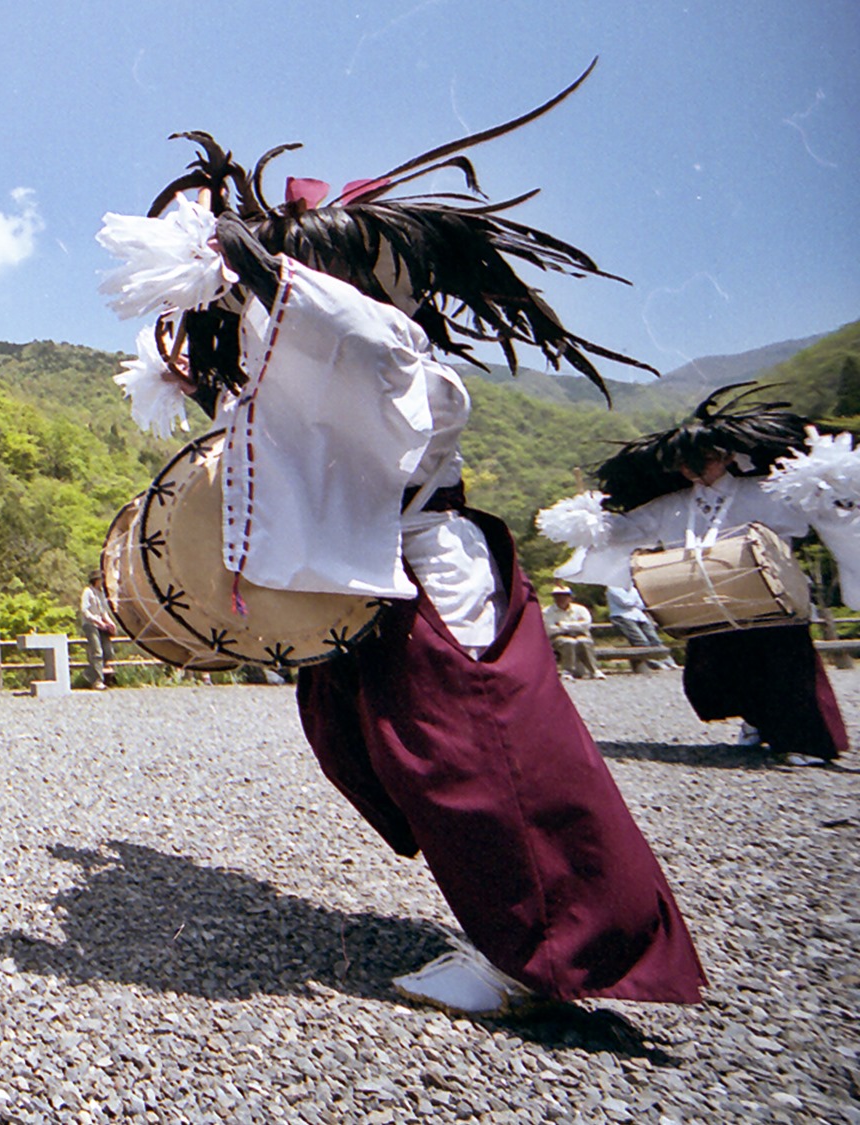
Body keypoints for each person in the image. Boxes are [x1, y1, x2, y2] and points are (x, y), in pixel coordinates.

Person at [98, 67, 705, 1017]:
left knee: (478, 758)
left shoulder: (392, 350)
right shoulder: (326, 352)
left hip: (430, 570)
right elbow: (282, 381)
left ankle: (543, 958)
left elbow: (345, 333)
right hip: (379, 577)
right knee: (376, 741)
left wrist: (251, 261)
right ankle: (525, 933)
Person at [539, 387, 858, 766]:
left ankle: (805, 742)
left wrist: (835, 491)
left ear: (724, 456)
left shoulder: (765, 491)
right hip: (707, 601)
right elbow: (628, 528)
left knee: (784, 669)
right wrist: (590, 520)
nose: (691, 470)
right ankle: (756, 723)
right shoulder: (673, 505)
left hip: (768, 593)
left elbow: (820, 511)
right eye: (684, 464)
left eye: (700, 460)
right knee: (716, 673)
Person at [605, 585, 676, 671]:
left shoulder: (633, 589)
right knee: (641, 641)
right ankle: (655, 664)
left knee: (654, 639)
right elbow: (625, 603)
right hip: (622, 616)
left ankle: (668, 661)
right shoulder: (613, 588)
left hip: (640, 616)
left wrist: (635, 603)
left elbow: (641, 605)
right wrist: (635, 602)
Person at [542, 586, 604, 680]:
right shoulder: (547, 611)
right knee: (569, 642)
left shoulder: (580, 609)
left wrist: (562, 625)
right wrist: (575, 626)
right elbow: (550, 628)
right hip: (557, 637)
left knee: (584, 642)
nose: (561, 598)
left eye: (564, 596)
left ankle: (594, 670)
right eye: (557, 596)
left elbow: (586, 624)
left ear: (570, 597)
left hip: (580, 635)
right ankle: (567, 671)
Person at [77, 570, 117, 690]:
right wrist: (97, 621)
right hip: (90, 624)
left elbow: (103, 611)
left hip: (101, 625)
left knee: (108, 651)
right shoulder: (88, 592)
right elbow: (84, 610)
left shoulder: (100, 593)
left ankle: (94, 675)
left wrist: (110, 623)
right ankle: (97, 680)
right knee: (97, 652)